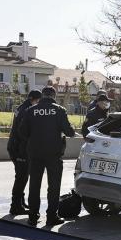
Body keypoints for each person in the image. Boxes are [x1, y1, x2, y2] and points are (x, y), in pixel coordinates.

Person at [18, 86, 75, 227]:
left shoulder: (31, 110)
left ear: (43, 96)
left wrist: (34, 138)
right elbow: (69, 131)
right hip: (54, 154)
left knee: (34, 185)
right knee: (54, 187)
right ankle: (51, 217)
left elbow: (22, 132)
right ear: (54, 96)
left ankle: (32, 216)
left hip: (35, 153)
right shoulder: (59, 110)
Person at [6, 89, 42, 215]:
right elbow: (22, 132)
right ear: (35, 100)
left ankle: (20, 202)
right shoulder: (26, 110)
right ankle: (15, 205)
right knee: (21, 177)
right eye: (39, 101)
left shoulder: (24, 107)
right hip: (20, 149)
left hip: (16, 147)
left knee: (22, 176)